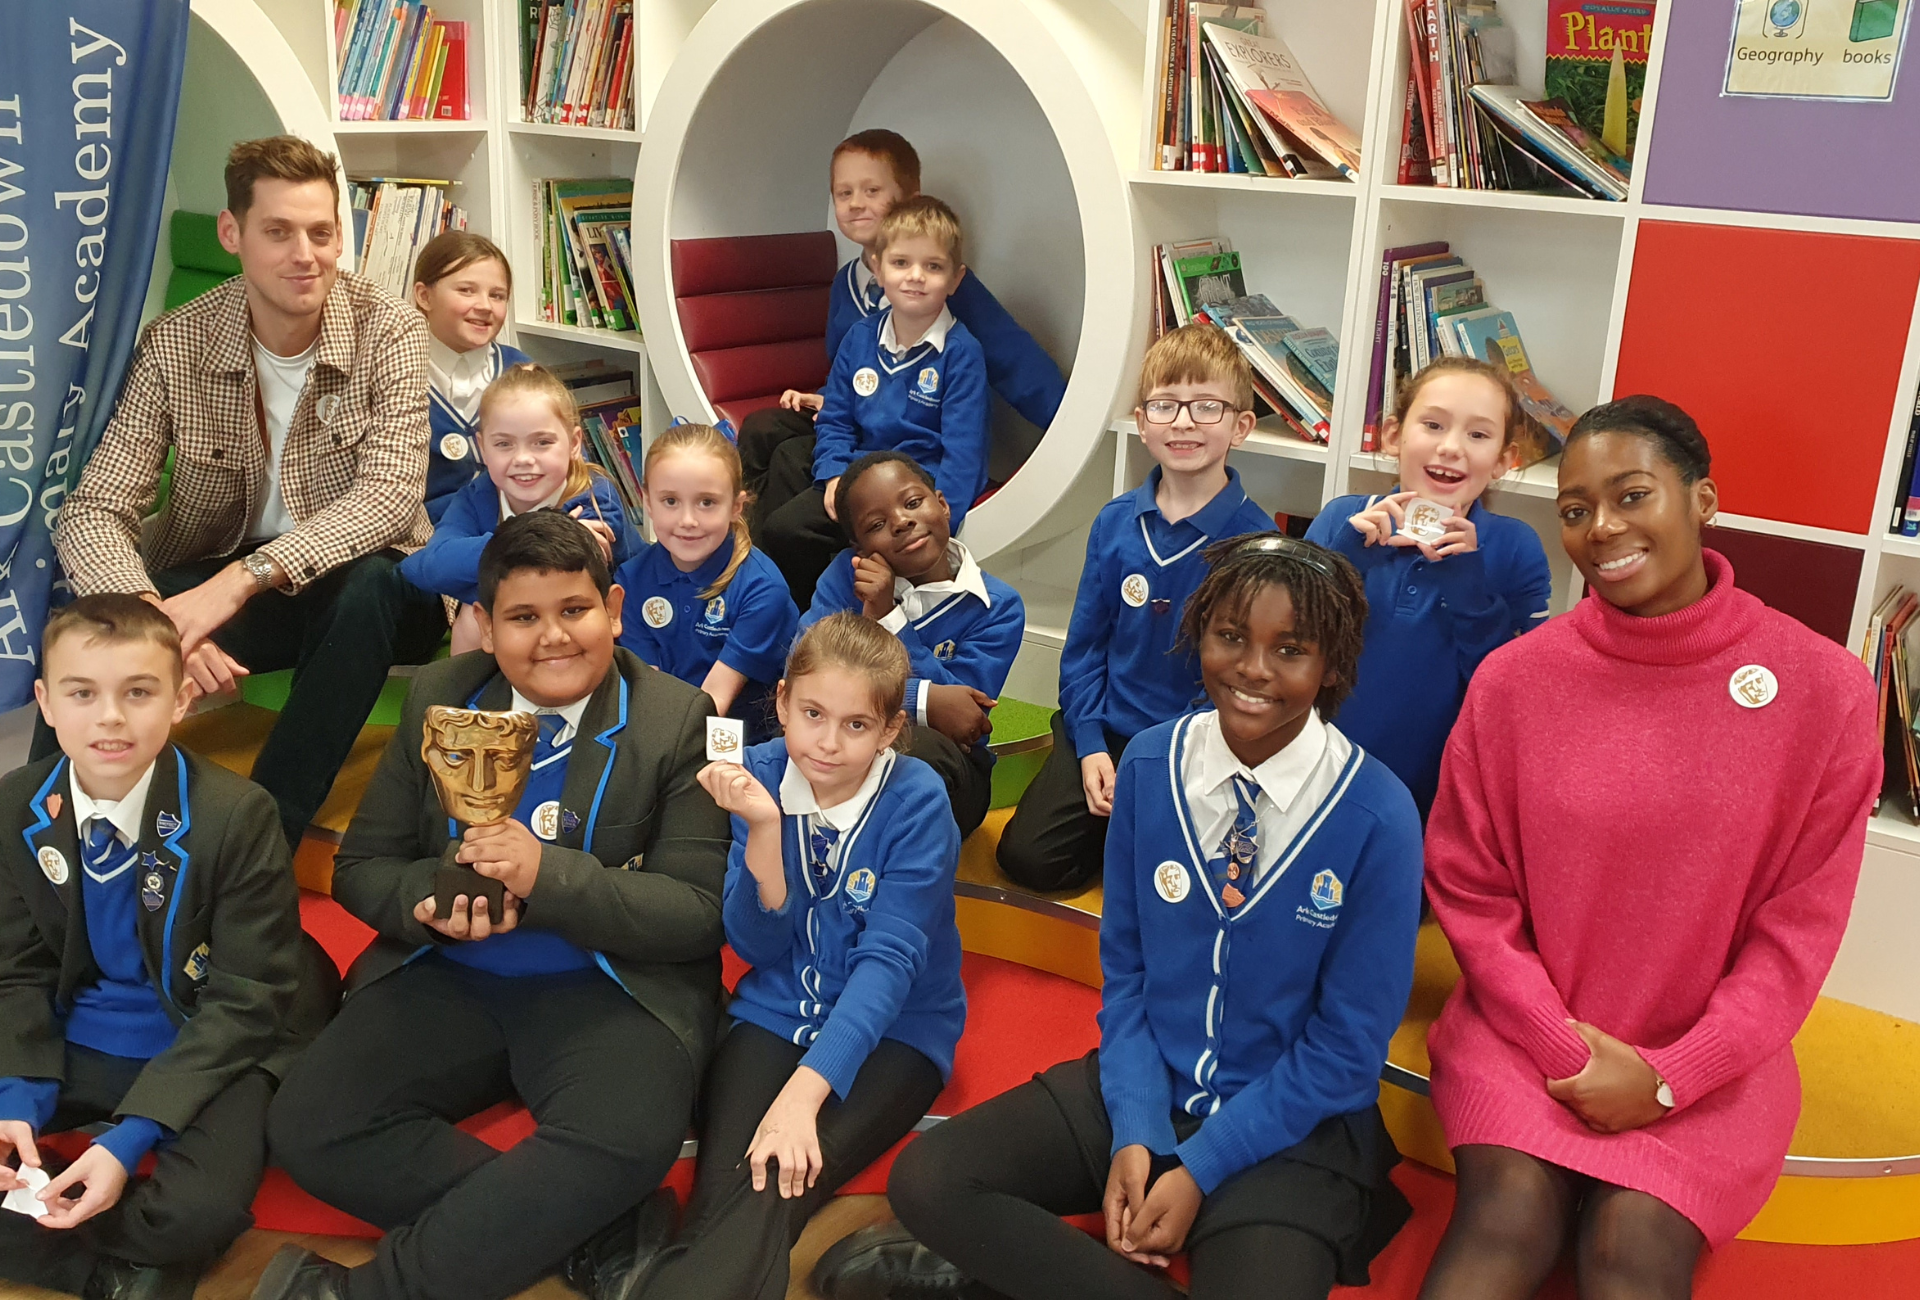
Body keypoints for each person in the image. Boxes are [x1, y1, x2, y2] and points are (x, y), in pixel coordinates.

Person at [826, 534, 1423, 1300]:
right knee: (930, 1179)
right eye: (1231, 636)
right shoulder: (1147, 764)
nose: (1252, 669)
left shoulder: (1378, 813)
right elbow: (1132, 974)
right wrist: (1138, 1131)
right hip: (1145, 1078)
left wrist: (1200, 1168)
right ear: (1199, 635)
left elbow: (1346, 1049)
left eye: (1291, 649)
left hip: (1289, 1126)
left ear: (1332, 666)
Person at [1417, 397, 1878, 1299]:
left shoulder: (1826, 691)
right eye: (1577, 510)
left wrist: (1670, 1079)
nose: (1603, 530)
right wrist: (1561, 1048)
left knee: (1633, 1250)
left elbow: (1799, 937)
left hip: (1712, 1067)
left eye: (1633, 495)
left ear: (1702, 499)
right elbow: (1470, 891)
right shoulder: (1514, 681)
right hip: (1524, 1038)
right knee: (1507, 1219)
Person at [256, 511, 731, 1300]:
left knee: (624, 1140)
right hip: (445, 971)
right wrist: (424, 900)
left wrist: (550, 875)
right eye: (522, 617)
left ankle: (366, 1291)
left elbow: (694, 911)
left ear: (613, 609)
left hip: (611, 986)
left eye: (574, 611)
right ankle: (595, 1226)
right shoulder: (442, 696)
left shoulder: (678, 719)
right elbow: (363, 867)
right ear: (483, 623)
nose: (553, 636)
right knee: (310, 1125)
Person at [51, 135, 449, 850]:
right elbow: (92, 510)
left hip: (377, 591)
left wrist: (234, 586)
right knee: (99, 627)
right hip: (242, 593)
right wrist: (155, 616)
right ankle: (45, 850)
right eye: (279, 231)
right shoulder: (176, 343)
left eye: (322, 232)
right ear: (232, 234)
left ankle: (255, 846)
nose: (306, 254)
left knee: (369, 587)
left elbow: (389, 498)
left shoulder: (388, 328)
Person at [0, 595, 334, 1300]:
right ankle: (123, 1275)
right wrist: (17, 1099)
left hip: (206, 1039)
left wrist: (127, 1142)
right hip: (75, 1035)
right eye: (82, 693)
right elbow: (17, 971)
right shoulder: (15, 805)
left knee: (199, 1212)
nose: (111, 717)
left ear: (181, 699)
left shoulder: (237, 815)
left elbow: (247, 1001)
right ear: (46, 702)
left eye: (139, 692)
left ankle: (137, 1255)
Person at [632, 612, 965, 1300]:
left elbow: (891, 966)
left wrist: (802, 1095)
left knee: (775, 1187)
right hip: (773, 1010)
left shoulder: (918, 801)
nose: (828, 742)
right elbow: (755, 945)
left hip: (900, 1033)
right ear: (780, 700)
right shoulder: (749, 776)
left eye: (856, 725)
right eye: (812, 712)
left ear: (890, 731)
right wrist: (762, 835)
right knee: (725, 1189)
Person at [997, 322, 1274, 893]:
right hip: (1104, 730)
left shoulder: (1256, 545)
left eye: (1206, 407)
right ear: (1142, 423)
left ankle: (1133, 828)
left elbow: (1244, 682)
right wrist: (1093, 748)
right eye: (1165, 405)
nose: (1184, 422)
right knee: (1026, 861)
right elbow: (1085, 650)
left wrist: (1158, 767)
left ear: (1241, 426)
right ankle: (1114, 822)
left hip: (1198, 745)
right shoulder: (1115, 521)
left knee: (1183, 885)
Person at [740, 128, 1066, 552]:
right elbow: (850, 367)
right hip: (857, 415)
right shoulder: (847, 283)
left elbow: (1012, 359)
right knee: (763, 429)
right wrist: (824, 398)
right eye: (844, 193)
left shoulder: (944, 289)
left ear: (910, 200)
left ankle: (795, 554)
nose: (856, 203)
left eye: (872, 190)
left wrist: (1066, 422)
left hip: (907, 439)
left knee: (790, 458)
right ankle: (746, 547)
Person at [1304, 357, 1551, 816]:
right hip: (1314, 782)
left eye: (1478, 435)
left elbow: (1516, 700)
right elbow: (1289, 643)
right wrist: (1342, 563)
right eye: (1433, 425)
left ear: (1503, 460)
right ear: (1395, 436)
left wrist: (1470, 591)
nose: (1451, 447)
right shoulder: (1341, 520)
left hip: (1436, 803)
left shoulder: (1515, 549)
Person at [758, 196, 989, 605]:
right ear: (879, 269)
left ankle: (817, 619)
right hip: (858, 474)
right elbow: (836, 420)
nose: (915, 276)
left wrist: (939, 527)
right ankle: (781, 613)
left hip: (913, 487)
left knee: (788, 530)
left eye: (933, 266)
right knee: (781, 515)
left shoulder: (961, 352)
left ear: (955, 279)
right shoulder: (861, 337)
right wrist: (832, 476)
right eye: (901, 263)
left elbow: (964, 453)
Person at [800, 452, 1024, 837]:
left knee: (918, 748)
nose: (902, 521)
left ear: (943, 504)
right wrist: (925, 700)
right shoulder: (845, 576)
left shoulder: (998, 606)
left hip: (949, 769)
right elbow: (805, 668)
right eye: (877, 524)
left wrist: (889, 617)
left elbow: (962, 718)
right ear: (860, 548)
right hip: (841, 745)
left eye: (913, 503)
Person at [400, 363, 642, 653]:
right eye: (504, 444)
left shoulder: (594, 495)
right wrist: (514, 545)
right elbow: (426, 567)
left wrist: (484, 564)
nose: (524, 459)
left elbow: (555, 582)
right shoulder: (478, 496)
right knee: (474, 611)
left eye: (542, 442)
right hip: (523, 627)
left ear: (575, 443)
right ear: (482, 447)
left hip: (609, 636)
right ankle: (472, 695)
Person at [613, 421, 798, 742]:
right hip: (665, 725)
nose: (688, 520)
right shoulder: (631, 579)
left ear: (736, 507)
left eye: (707, 502)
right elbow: (648, 689)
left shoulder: (762, 588)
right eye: (670, 501)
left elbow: (716, 700)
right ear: (648, 503)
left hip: (745, 742)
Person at [410, 231, 531, 525]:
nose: (485, 306)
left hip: (518, 530)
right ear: (424, 296)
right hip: (419, 539)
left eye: (497, 295)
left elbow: (570, 469)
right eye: (466, 290)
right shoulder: (397, 372)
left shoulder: (523, 374)